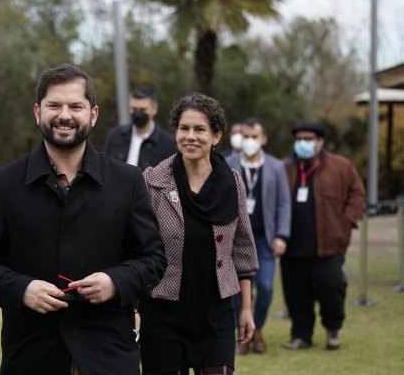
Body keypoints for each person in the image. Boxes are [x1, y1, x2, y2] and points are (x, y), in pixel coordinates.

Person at [0, 64, 166, 375]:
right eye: (54, 105)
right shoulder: (5, 182)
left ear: (93, 114)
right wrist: (21, 289)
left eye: (76, 106)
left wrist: (115, 282)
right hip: (32, 354)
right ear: (37, 112)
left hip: (107, 354)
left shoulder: (128, 180)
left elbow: (152, 258)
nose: (64, 115)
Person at [140, 93, 258, 375]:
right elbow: (137, 248)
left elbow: (243, 252)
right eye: (184, 128)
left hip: (215, 317)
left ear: (217, 136)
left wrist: (246, 308)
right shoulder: (152, 182)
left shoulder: (233, 183)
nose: (190, 136)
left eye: (200, 129)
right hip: (162, 317)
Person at [282, 122, 365, 350]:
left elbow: (357, 194)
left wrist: (346, 222)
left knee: (332, 289)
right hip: (292, 247)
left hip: (329, 246)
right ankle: (301, 335)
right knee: (296, 294)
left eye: (308, 139)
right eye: (299, 139)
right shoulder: (285, 168)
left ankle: (333, 330)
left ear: (320, 142)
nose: (302, 144)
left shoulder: (341, 167)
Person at [226, 118, 291, 354]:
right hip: (235, 239)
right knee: (237, 290)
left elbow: (284, 203)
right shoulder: (227, 163)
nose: (250, 141)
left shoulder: (275, 166)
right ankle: (242, 333)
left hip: (264, 238)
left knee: (265, 287)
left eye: (254, 136)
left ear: (263, 139)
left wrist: (282, 235)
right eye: (246, 136)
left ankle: (258, 328)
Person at [102, 85, 177, 169]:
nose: (138, 114)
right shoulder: (115, 136)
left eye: (142, 110)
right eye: (134, 109)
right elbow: (104, 167)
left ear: (154, 109)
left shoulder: (168, 143)